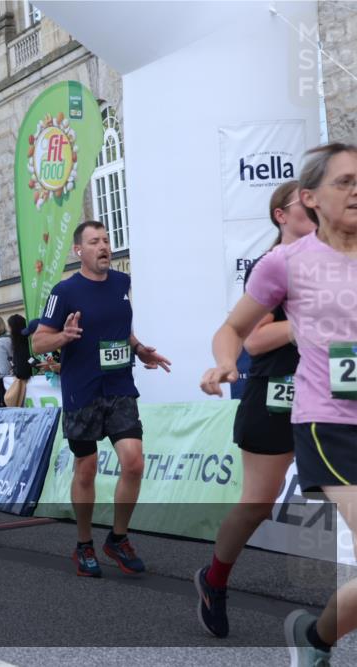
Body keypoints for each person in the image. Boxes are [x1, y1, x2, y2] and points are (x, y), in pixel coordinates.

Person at [201, 143, 357, 666]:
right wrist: (226, 362)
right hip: (323, 416)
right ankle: (216, 577)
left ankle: (316, 639)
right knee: (256, 504)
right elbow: (236, 330)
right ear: (307, 200)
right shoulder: (283, 264)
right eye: (345, 181)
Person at [194, 180, 316, 639]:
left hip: (329, 393)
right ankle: (214, 580)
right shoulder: (272, 266)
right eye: (303, 203)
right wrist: (299, 326)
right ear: (281, 215)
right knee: (257, 504)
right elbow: (253, 338)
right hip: (275, 394)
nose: (315, 207)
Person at [33, 220, 171, 577]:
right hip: (83, 390)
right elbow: (38, 342)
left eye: (107, 240)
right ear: (79, 251)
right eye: (95, 242)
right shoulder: (64, 292)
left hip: (120, 387)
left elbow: (121, 328)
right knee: (87, 467)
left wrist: (139, 349)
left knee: (134, 462)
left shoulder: (122, 283)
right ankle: (84, 544)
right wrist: (63, 336)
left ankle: (118, 538)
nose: (104, 246)